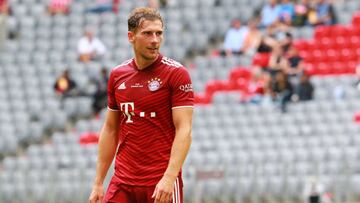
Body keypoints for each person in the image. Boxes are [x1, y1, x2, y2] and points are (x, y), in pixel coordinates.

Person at [88, 7, 194, 203]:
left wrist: (169, 178)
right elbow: (111, 129)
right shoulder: (117, 75)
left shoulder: (176, 74)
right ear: (131, 36)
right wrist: (98, 182)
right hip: (123, 181)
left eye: (159, 33)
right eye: (147, 33)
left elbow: (184, 130)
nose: (155, 40)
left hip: (160, 182)